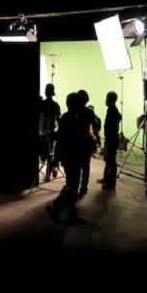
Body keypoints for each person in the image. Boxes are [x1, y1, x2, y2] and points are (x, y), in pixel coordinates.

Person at [46, 92, 90, 226]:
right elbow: (64, 139)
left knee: (72, 186)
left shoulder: (68, 117)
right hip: (72, 157)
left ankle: (71, 215)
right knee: (72, 186)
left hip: (71, 157)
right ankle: (57, 208)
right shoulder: (71, 119)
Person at [77, 89, 100, 197]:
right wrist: (97, 139)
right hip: (85, 140)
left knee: (75, 165)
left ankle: (74, 186)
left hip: (75, 141)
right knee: (85, 166)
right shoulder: (89, 111)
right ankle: (83, 187)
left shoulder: (73, 110)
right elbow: (95, 126)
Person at [39, 83, 61, 180]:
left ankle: (48, 174)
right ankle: (47, 174)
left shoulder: (44, 104)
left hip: (46, 132)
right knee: (48, 154)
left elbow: (57, 119)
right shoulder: (54, 105)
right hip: (45, 132)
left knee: (49, 154)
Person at [99, 91, 121, 190]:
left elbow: (117, 119)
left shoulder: (113, 111)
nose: (105, 101)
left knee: (111, 161)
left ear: (111, 100)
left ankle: (111, 183)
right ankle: (106, 178)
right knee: (108, 160)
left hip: (112, 138)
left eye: (107, 98)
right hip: (110, 137)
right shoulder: (111, 110)